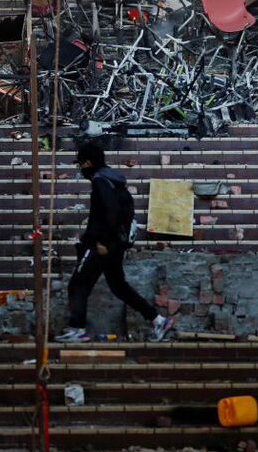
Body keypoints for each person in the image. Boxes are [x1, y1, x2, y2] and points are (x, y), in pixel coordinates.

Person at [55, 142, 174, 343]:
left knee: (77, 285)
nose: (81, 168)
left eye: (81, 164)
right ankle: (158, 320)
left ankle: (77, 329)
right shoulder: (114, 180)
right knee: (119, 286)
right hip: (116, 243)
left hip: (101, 244)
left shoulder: (101, 182)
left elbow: (109, 213)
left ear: (88, 162)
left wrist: (100, 241)